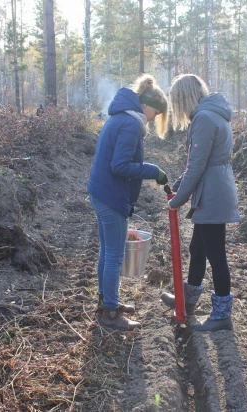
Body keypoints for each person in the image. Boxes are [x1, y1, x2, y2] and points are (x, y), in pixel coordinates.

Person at [87, 74, 169, 330]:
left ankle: (107, 303)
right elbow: (120, 166)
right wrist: (152, 170)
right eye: (157, 112)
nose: (155, 118)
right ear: (146, 105)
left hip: (100, 192)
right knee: (114, 255)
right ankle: (110, 313)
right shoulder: (131, 124)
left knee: (107, 252)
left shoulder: (119, 117)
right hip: (110, 195)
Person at [160, 74, 240, 332]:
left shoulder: (204, 119)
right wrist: (179, 185)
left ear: (184, 98)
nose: (177, 108)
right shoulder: (211, 113)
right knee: (198, 247)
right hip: (214, 188)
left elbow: (197, 165)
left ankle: (221, 315)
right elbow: (197, 163)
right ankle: (187, 300)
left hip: (213, 193)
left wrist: (178, 200)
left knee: (215, 254)